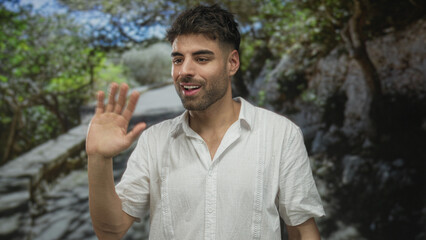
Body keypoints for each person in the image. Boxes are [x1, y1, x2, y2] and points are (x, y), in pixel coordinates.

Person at [86, 4, 325, 240]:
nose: (185, 71)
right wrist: (98, 159)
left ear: (232, 63)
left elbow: (303, 230)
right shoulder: (153, 141)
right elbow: (111, 230)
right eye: (178, 60)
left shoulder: (281, 134)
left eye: (201, 59)